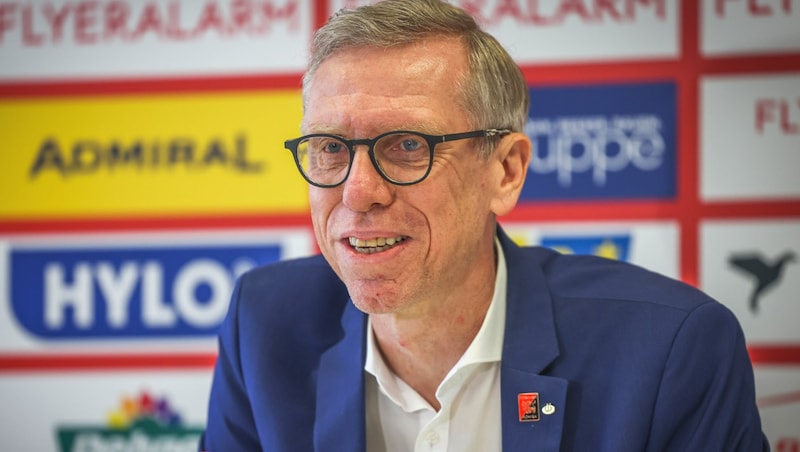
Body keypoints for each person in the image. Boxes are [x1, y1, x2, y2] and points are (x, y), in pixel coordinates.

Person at [200, 1, 768, 450]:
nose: (357, 191)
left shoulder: (671, 350)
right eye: (328, 147)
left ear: (506, 171)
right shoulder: (265, 323)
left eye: (406, 145)